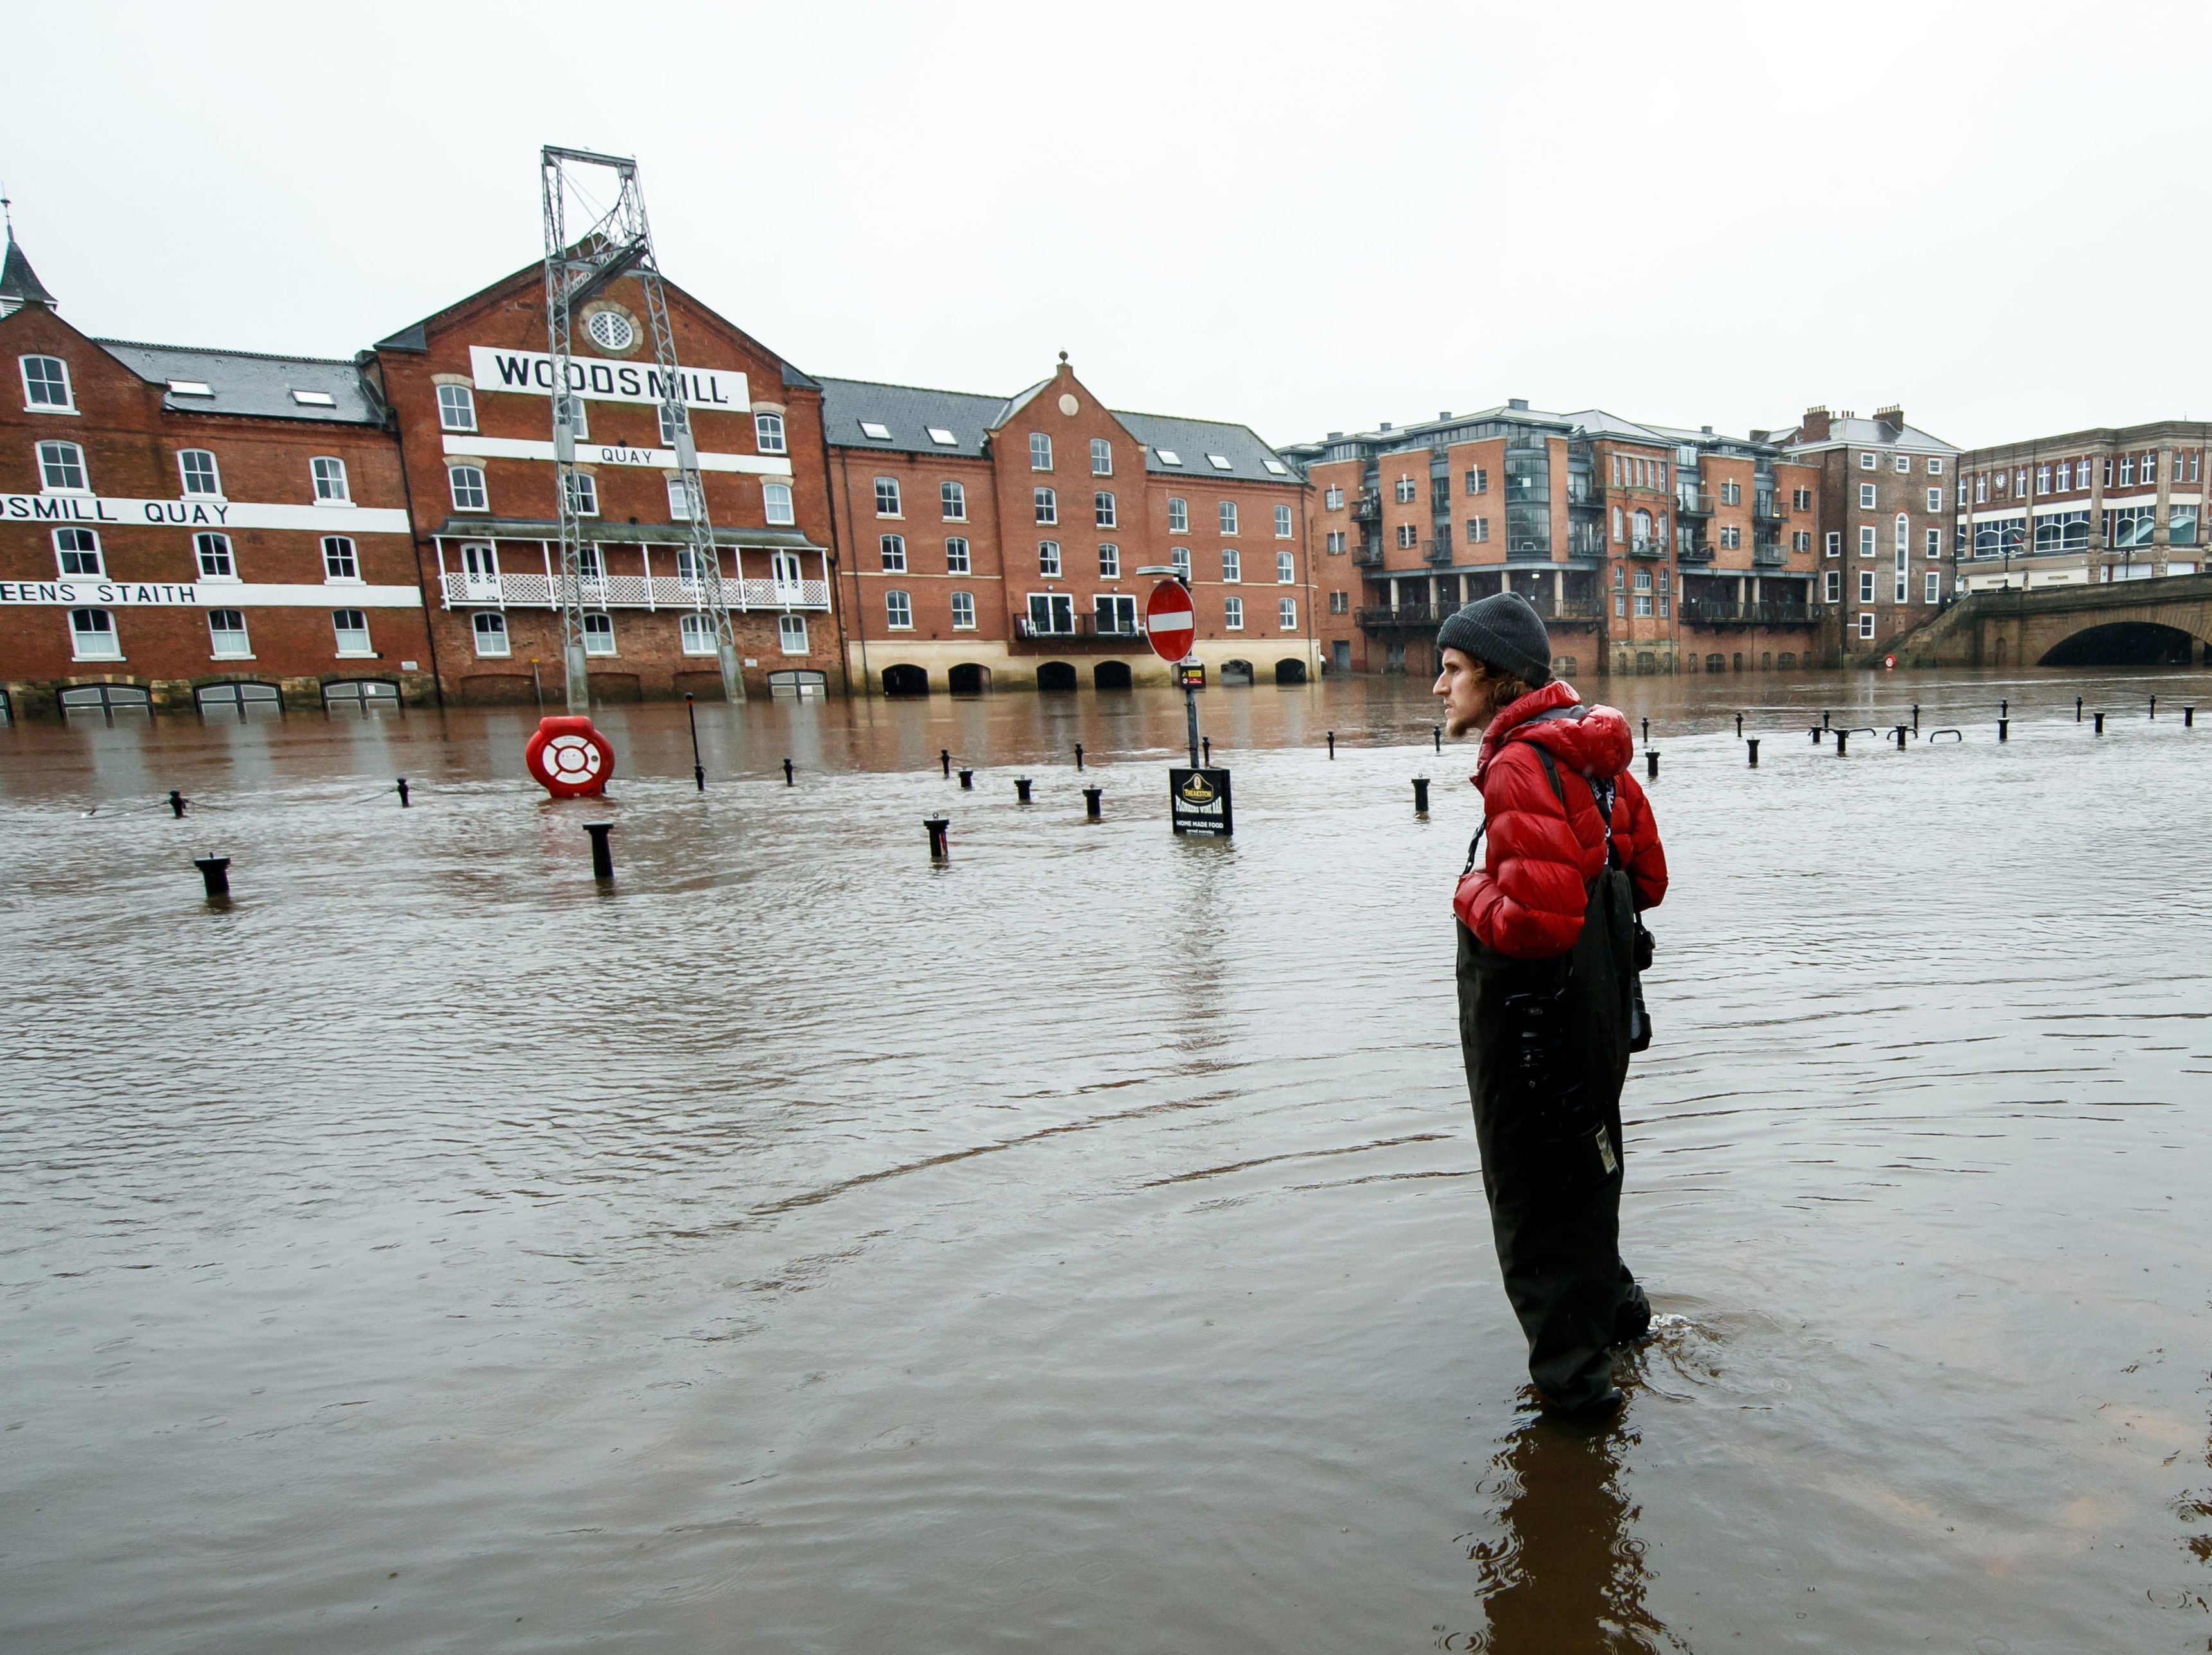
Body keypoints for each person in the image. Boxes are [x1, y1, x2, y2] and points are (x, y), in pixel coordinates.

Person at [1434, 591, 1668, 1416]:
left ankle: (1575, 1406)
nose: (1441, 686)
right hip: (1599, 1012)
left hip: (1535, 1018)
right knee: (1589, 1160)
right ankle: (1624, 1316)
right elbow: (1648, 883)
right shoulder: (1593, 758)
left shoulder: (1514, 764)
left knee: (1533, 1195)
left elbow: (1533, 926)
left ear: (1498, 678)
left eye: (1454, 668)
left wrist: (1470, 892)